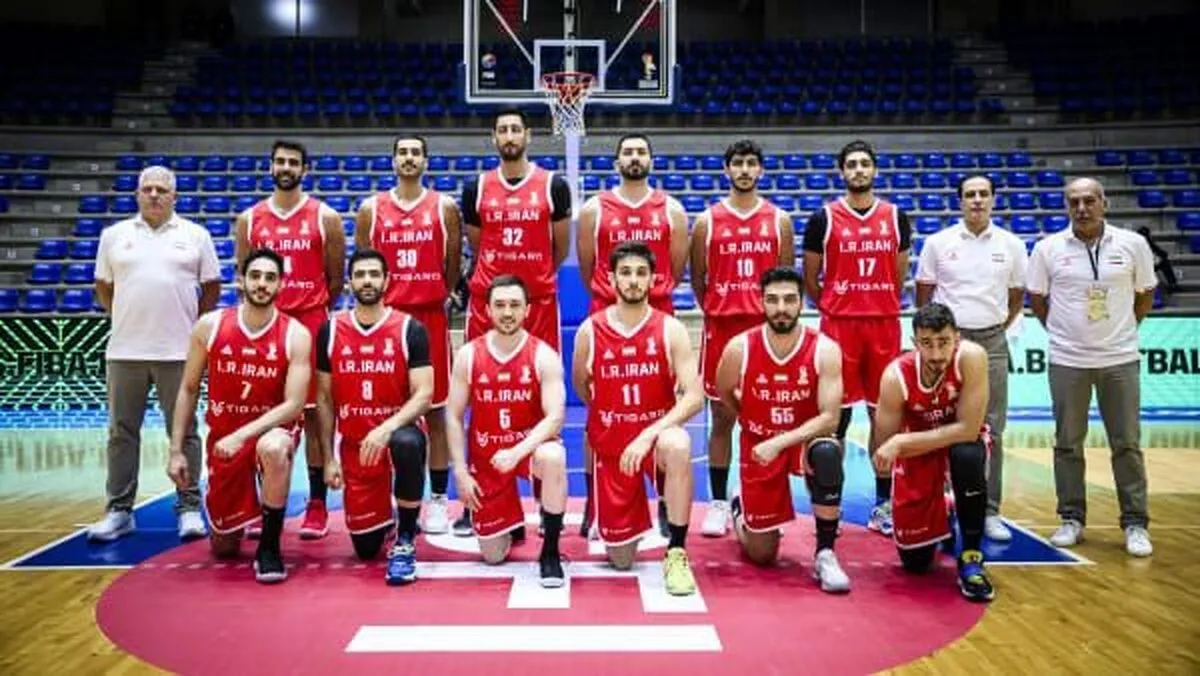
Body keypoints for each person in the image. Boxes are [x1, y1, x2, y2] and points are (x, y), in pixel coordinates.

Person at [87, 165, 221, 543]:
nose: (154, 195)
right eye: (147, 189)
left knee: (185, 431)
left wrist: (191, 326)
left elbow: (211, 287)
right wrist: (125, 317)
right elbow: (103, 286)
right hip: (124, 351)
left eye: (162, 189)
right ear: (137, 194)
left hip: (178, 352)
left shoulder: (196, 235)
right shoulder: (114, 236)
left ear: (174, 196)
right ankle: (119, 511)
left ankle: (189, 507)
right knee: (121, 433)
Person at [456, 108, 572, 535]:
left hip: (537, 303)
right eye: (502, 129)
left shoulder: (553, 185)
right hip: (488, 305)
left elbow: (560, 248)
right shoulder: (477, 187)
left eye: (516, 129)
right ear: (494, 137)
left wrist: (530, 283)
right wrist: (502, 295)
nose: (509, 135)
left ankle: (545, 497)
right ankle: (478, 500)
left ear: (528, 136)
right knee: (479, 401)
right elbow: (476, 244)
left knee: (540, 400)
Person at [1027, 177, 1156, 557]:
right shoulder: (1048, 248)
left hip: (1120, 358)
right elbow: (1037, 299)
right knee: (1067, 443)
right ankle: (1071, 518)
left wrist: (1124, 330)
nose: (1082, 208)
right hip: (1068, 360)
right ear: (1066, 207)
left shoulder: (1133, 245)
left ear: (1104, 203)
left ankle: (1135, 523)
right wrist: (1063, 333)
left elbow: (1145, 294)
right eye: (1074, 202)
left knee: (1127, 443)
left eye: (1089, 200)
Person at [165, 248, 311, 583]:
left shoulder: (296, 334)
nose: (262, 284)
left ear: (281, 285)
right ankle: (237, 513)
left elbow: (294, 405)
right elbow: (188, 389)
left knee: (275, 448)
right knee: (224, 548)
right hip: (224, 438)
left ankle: (270, 546)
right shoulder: (209, 326)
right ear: (241, 281)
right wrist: (175, 451)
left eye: (270, 278)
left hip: (271, 430)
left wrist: (243, 435)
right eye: (255, 276)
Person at [572, 241, 704, 596]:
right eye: (626, 273)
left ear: (653, 280)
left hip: (655, 441)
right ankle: (614, 515)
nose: (633, 280)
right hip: (613, 447)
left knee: (678, 444)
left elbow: (694, 396)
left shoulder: (670, 329)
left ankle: (676, 550)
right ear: (611, 279)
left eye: (641, 273)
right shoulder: (590, 331)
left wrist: (648, 434)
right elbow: (582, 387)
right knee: (621, 559)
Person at [576, 132, 689, 538]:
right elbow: (589, 269)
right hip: (607, 312)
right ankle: (594, 502)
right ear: (617, 161)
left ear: (651, 160)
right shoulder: (594, 209)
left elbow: (676, 268)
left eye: (641, 151)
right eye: (628, 152)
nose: (635, 157)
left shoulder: (672, 209)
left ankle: (666, 501)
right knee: (599, 411)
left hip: (657, 312)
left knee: (663, 405)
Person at [234, 139, 347, 540]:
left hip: (311, 324)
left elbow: (336, 279)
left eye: (293, 162)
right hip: (267, 328)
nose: (286, 167)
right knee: (261, 413)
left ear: (305, 169)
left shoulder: (325, 217)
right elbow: (245, 274)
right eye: (280, 161)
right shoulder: (250, 219)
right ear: (271, 167)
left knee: (316, 415)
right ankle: (260, 503)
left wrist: (310, 308)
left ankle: (317, 504)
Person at [714, 266, 850, 593]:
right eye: (773, 300)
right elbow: (724, 391)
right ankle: (740, 505)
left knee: (827, 451)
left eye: (789, 299)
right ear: (761, 302)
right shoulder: (739, 348)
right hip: (759, 441)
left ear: (802, 302)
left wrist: (781, 441)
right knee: (762, 555)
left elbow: (830, 418)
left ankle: (825, 552)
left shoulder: (825, 349)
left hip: (803, 440)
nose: (781, 308)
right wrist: (749, 416)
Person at [802, 139, 912, 537]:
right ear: (842, 171)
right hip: (839, 328)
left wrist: (875, 300)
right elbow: (810, 278)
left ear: (875, 170)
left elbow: (898, 275)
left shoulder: (896, 217)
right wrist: (837, 305)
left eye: (865, 163)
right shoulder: (824, 218)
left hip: (883, 325)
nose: (859, 169)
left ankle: (883, 504)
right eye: (852, 164)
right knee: (835, 420)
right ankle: (828, 504)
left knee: (885, 418)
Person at [355, 134, 463, 536]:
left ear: (426, 161)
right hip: (388, 320)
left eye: (416, 153)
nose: (409, 158)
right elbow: (364, 262)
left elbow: (453, 264)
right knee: (383, 410)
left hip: (429, 317)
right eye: (403, 152)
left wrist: (439, 293)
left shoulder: (443, 207)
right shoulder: (371, 209)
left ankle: (438, 499)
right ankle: (386, 496)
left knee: (435, 411)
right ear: (393, 161)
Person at [690, 139, 794, 538]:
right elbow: (698, 280)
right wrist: (720, 305)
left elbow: (785, 281)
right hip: (722, 329)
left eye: (751, 163)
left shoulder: (779, 220)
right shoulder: (707, 221)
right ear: (727, 169)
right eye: (738, 163)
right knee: (721, 419)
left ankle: (761, 497)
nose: (745, 170)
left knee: (768, 418)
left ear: (761, 170)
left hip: (764, 333)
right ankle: (718, 502)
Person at [915, 175, 1027, 542]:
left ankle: (989, 510)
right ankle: (941, 505)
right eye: (970, 195)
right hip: (947, 343)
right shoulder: (938, 243)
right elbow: (924, 295)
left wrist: (994, 327)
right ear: (960, 201)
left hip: (992, 341)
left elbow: (1016, 298)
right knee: (940, 422)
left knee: (992, 428)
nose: (977, 200)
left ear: (993, 199)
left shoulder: (1012, 245)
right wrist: (941, 339)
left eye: (983, 194)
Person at [315, 249, 434, 585]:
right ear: (350, 283)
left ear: (386, 280)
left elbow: (424, 394)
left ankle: (406, 537)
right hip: (356, 447)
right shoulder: (330, 330)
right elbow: (323, 399)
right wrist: (328, 459)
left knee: (408, 442)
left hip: (396, 435)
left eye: (374, 274)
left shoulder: (410, 329)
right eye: (360, 275)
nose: (367, 281)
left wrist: (387, 428)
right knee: (366, 549)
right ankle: (386, 517)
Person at [446, 275, 568, 587]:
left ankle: (550, 551)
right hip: (487, 457)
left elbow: (555, 417)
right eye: (500, 305)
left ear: (528, 310)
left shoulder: (543, 355)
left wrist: (517, 452)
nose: (508, 312)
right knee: (493, 556)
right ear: (487, 310)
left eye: (515, 305)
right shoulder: (469, 355)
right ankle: (511, 523)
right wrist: (460, 471)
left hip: (526, 451)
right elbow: (453, 416)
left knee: (554, 456)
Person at [872, 302, 995, 603]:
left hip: (953, 444)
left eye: (944, 342)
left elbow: (968, 429)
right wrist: (896, 447)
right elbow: (883, 448)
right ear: (914, 343)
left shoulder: (972, 357)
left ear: (957, 338)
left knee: (967, 454)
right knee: (915, 564)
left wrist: (901, 443)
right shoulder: (895, 377)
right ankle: (946, 506)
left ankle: (971, 555)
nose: (937, 353)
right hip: (918, 452)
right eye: (927, 343)